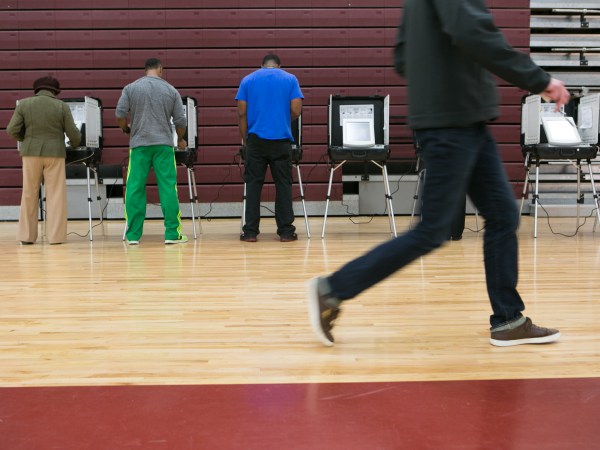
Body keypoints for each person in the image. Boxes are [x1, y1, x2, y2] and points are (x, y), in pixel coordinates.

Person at [308, 0, 569, 347]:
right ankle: (333, 289)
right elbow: (472, 31)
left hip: (462, 120)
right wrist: (538, 79)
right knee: (432, 230)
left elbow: (403, 56)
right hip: (452, 122)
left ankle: (508, 319)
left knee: (503, 214)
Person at [116, 58, 188, 245]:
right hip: (163, 145)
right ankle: (172, 234)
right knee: (167, 188)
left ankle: (133, 236)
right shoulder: (171, 90)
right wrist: (180, 139)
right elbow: (181, 121)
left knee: (134, 188)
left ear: (145, 69)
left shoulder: (131, 88)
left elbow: (120, 115)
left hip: (139, 145)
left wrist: (126, 130)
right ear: (160, 70)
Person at [235, 54, 304, 242]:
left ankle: (250, 232)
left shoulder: (248, 80)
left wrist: (246, 139)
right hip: (281, 140)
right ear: (280, 65)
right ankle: (286, 232)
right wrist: (281, 119)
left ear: (261, 65)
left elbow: (241, 112)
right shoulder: (290, 79)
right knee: (283, 185)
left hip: (255, 140)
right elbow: (297, 110)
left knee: (253, 185)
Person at [6, 76, 81, 245]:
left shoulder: (24, 104)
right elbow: (74, 135)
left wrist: (25, 139)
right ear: (55, 91)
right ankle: (55, 238)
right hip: (55, 153)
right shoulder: (61, 106)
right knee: (55, 195)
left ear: (37, 90)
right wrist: (75, 143)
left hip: (30, 153)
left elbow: (11, 130)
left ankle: (26, 237)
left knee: (29, 194)